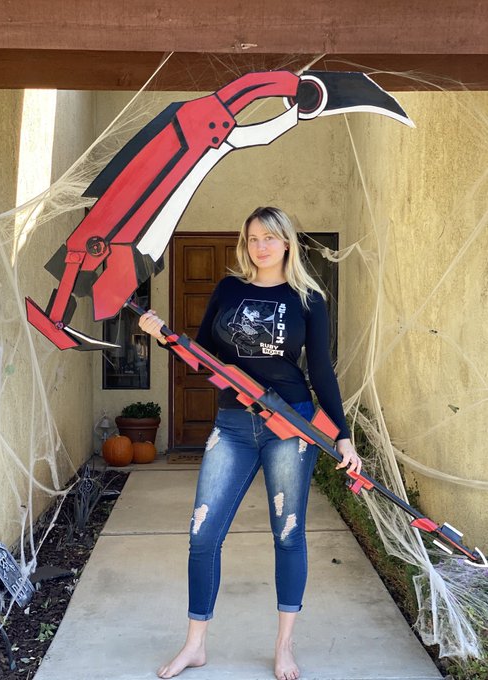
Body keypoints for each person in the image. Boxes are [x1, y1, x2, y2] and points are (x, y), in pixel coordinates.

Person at [139, 207, 362, 680]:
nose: (261, 246)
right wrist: (162, 337)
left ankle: (284, 646)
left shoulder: (308, 298)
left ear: (287, 242)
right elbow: (202, 356)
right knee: (203, 534)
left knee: (288, 534)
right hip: (233, 425)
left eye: (270, 238)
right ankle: (194, 646)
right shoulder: (229, 289)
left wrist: (342, 436)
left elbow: (321, 369)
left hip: (291, 425)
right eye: (253, 238)